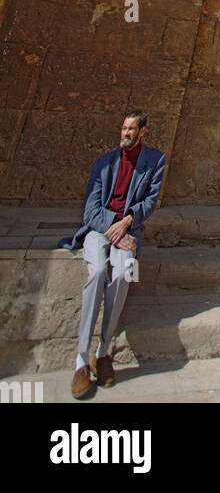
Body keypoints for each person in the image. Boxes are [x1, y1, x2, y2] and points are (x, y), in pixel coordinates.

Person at [59, 110, 165, 400]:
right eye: (123, 129)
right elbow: (90, 212)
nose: (125, 134)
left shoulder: (155, 161)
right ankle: (81, 361)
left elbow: (149, 202)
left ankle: (103, 353)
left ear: (142, 132)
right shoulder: (103, 164)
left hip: (128, 231)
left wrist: (126, 223)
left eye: (131, 129)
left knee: (124, 273)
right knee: (96, 274)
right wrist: (113, 228)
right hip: (98, 230)